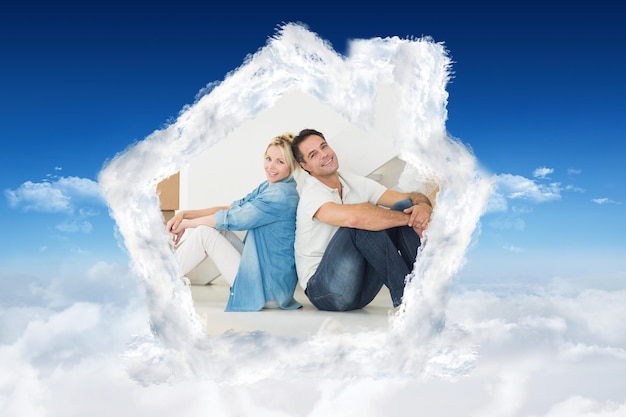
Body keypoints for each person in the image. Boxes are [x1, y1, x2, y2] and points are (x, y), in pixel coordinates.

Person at [291, 128, 434, 311]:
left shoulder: (353, 182)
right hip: (324, 290)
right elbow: (357, 218)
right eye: (313, 154)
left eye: (324, 146)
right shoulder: (312, 195)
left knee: (402, 206)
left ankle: (428, 286)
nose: (324, 155)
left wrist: (423, 208)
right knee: (360, 223)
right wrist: (410, 220)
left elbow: (409, 197)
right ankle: (409, 297)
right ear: (305, 166)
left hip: (360, 290)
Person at [166, 133, 302, 312]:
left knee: (203, 232)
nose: (271, 166)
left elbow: (233, 219)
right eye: (268, 158)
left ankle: (159, 282)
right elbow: (232, 208)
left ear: (292, 165)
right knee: (217, 230)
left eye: (280, 161)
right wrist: (185, 214)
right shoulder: (272, 186)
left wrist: (185, 225)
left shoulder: (280, 195)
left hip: (267, 290)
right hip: (267, 279)